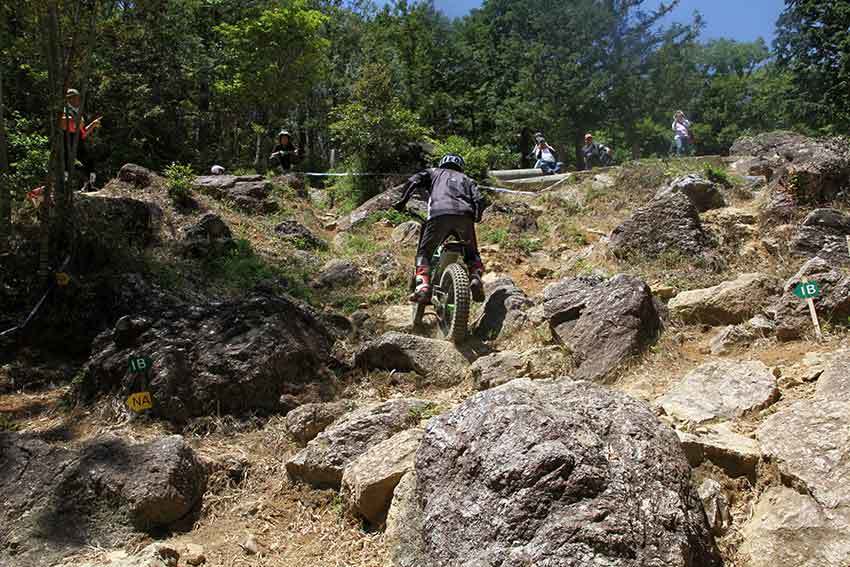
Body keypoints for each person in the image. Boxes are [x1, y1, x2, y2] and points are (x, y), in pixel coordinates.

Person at [393, 154, 488, 304]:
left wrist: (401, 201)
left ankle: (423, 286)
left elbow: (413, 181)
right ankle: (475, 277)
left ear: (442, 162)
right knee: (472, 254)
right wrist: (476, 216)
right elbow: (480, 199)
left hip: (439, 215)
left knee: (425, 253)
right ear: (460, 165)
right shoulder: (468, 179)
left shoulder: (432, 172)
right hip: (464, 217)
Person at [59, 88, 101, 191]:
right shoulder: (64, 111)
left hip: (78, 141)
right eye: (76, 98)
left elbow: (82, 133)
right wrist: (75, 120)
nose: (78, 100)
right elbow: (63, 124)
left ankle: (90, 184)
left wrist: (93, 124)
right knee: (66, 164)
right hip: (67, 140)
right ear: (70, 99)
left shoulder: (77, 112)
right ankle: (64, 186)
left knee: (89, 161)